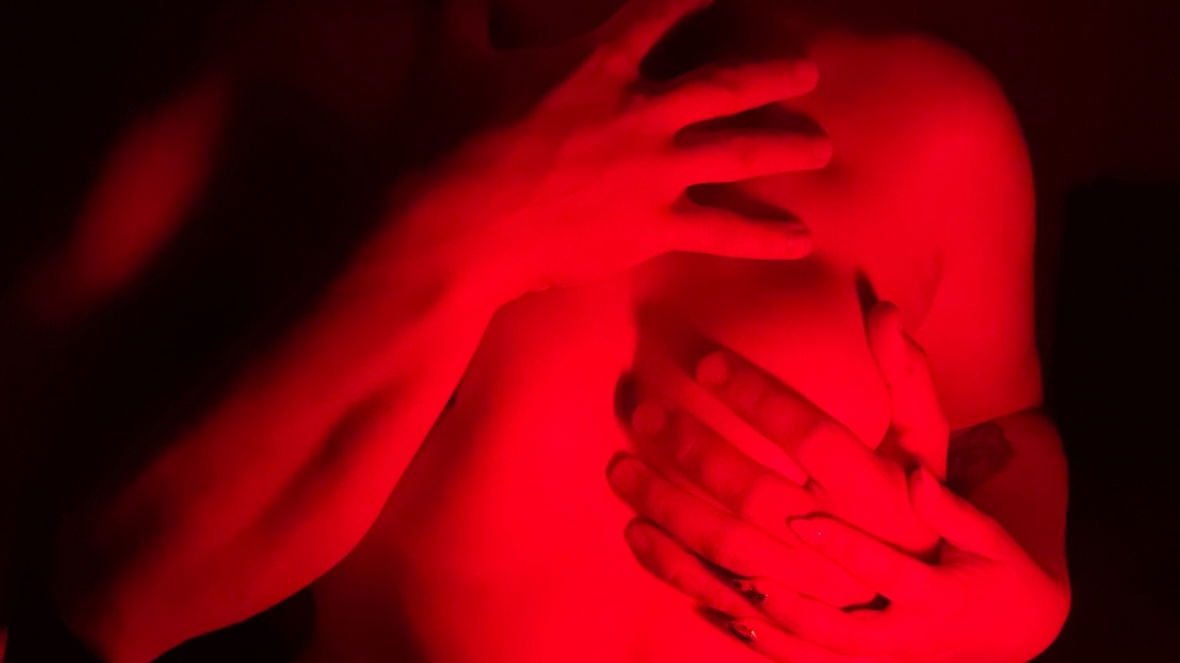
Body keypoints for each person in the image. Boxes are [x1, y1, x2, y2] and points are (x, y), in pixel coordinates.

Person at [29, 1, 1067, 661]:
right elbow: (119, 600)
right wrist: (466, 228)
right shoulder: (264, 87)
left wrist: (1016, 615)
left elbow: (1004, 424)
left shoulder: (930, 116)